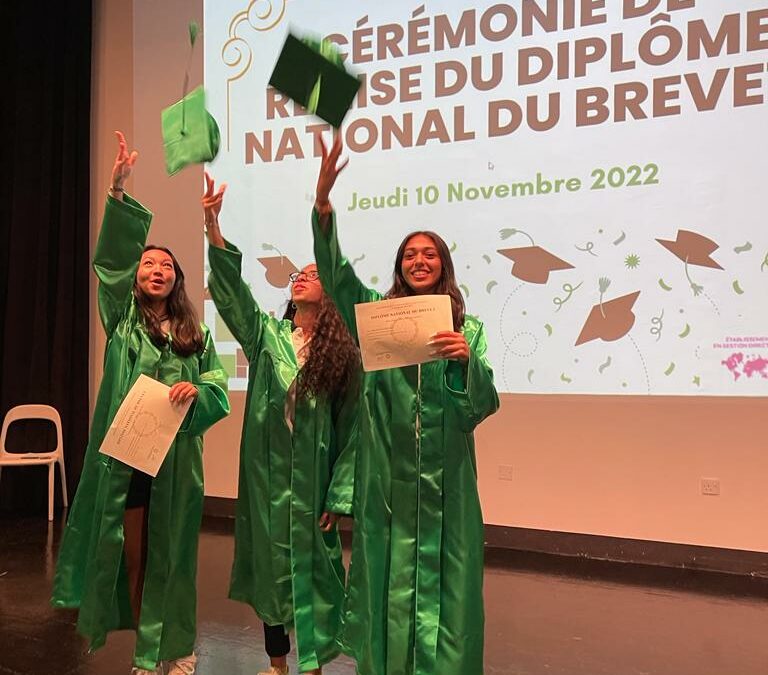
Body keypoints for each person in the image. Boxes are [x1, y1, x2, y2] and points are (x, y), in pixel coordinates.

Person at [311, 135, 500, 675]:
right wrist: (324, 210)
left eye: (430, 254)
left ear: (444, 266)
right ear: (400, 266)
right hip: (388, 492)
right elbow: (339, 275)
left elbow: (477, 409)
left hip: (449, 491)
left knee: (454, 594)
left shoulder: (468, 329)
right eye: (410, 255)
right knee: (386, 593)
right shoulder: (377, 321)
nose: (420, 261)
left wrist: (467, 363)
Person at [52, 132, 230, 675]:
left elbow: (219, 386)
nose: (156, 270)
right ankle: (145, 654)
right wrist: (117, 188)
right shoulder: (123, 322)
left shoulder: (193, 334)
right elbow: (108, 266)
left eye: (166, 267)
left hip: (176, 465)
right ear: (136, 277)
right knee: (135, 558)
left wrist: (197, 390)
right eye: (148, 263)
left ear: (177, 280)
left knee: (174, 563)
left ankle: (177, 649)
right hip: (130, 460)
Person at [203, 173, 359, 675]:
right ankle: (277, 665)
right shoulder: (267, 336)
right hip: (268, 476)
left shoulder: (343, 356)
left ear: (330, 294)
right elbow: (232, 296)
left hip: (313, 481)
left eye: (313, 273)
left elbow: (353, 430)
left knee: (313, 575)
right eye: (298, 275)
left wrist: (340, 495)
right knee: (272, 573)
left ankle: (311, 664)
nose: (300, 276)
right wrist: (213, 228)